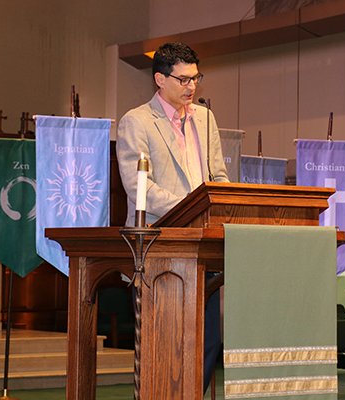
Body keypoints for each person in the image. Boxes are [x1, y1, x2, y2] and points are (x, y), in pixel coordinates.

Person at [116, 42, 228, 393]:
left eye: (196, 78)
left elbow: (218, 175)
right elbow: (139, 187)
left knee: (208, 340)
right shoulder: (136, 121)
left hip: (203, 245)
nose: (191, 87)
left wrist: (222, 205)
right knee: (165, 344)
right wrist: (190, 206)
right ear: (160, 79)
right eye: (183, 79)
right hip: (161, 245)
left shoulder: (206, 118)